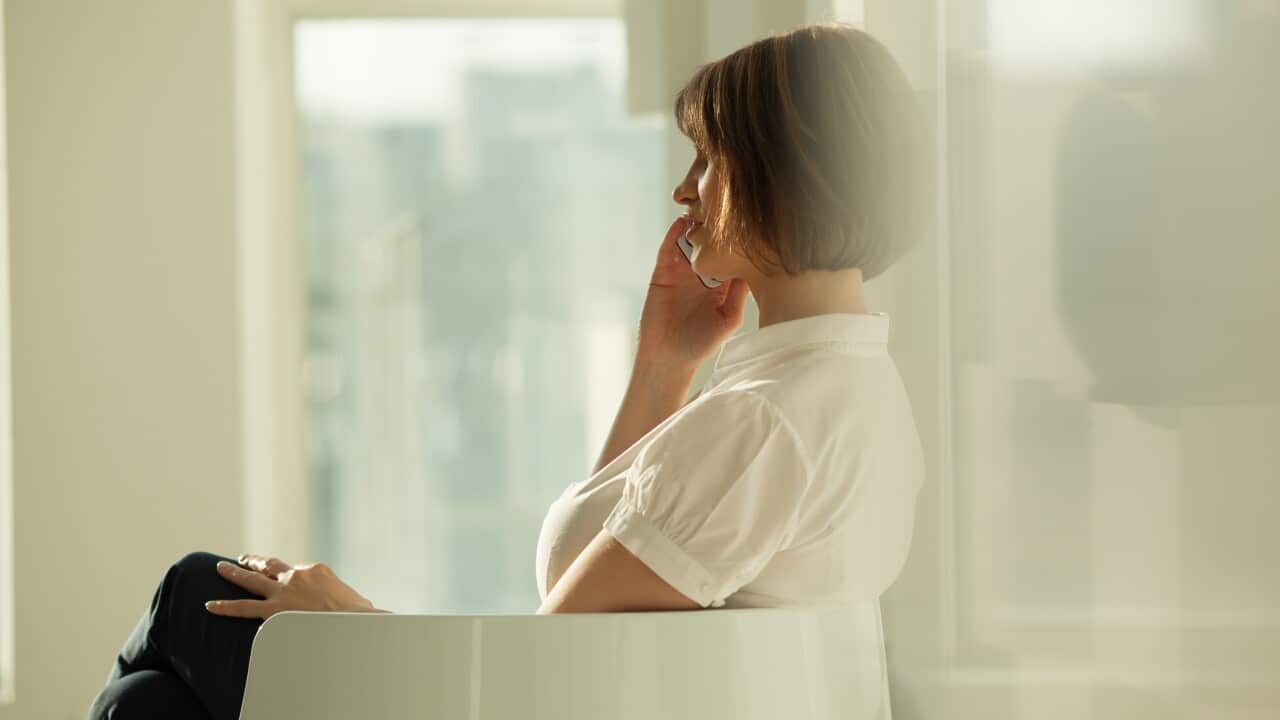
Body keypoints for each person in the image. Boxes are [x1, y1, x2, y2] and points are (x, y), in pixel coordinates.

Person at [88, 22, 928, 719]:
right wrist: (663, 368)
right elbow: (592, 604)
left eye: (707, 158)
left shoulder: (767, 421)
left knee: (190, 591)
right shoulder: (848, 397)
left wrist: (350, 625)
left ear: (785, 172)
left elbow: (544, 683)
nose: (684, 189)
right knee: (146, 707)